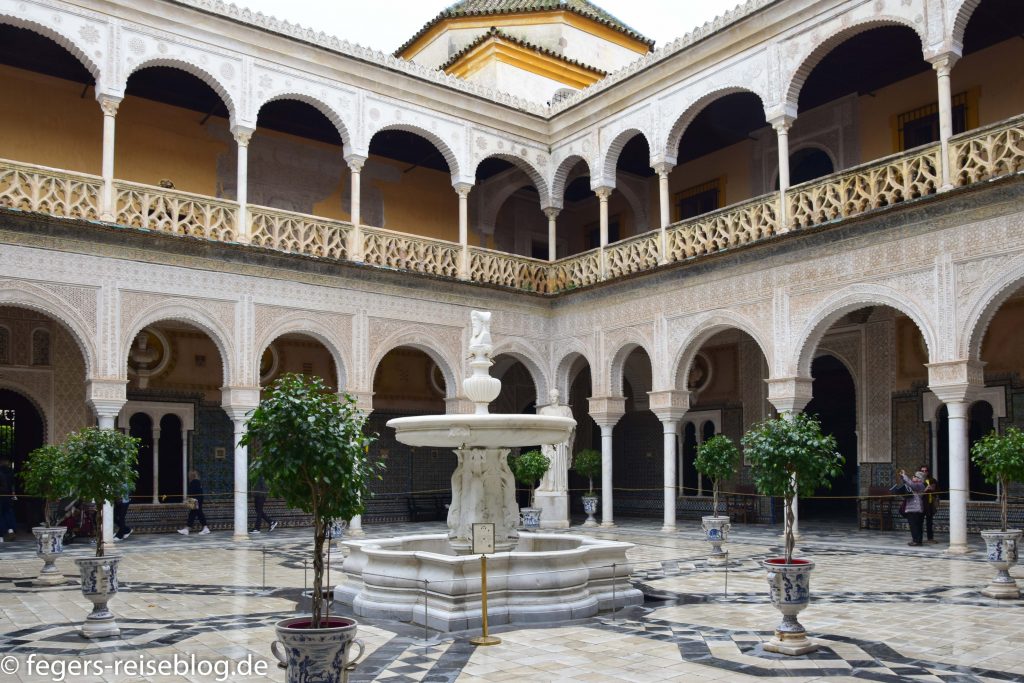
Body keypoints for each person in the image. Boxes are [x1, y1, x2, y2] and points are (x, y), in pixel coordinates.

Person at [899, 469, 927, 546]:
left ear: (919, 478)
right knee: (915, 525)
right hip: (912, 508)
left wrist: (904, 475)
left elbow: (912, 485)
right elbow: (907, 483)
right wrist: (902, 477)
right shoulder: (914, 485)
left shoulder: (920, 485)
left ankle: (916, 541)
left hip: (915, 509)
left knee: (915, 526)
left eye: (914, 476)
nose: (913, 477)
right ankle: (917, 540)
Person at [178, 470, 210, 535]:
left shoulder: (194, 481)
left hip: (195, 500)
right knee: (197, 513)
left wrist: (188, 500)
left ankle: (188, 529)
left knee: (195, 513)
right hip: (197, 499)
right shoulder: (197, 481)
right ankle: (203, 528)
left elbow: (192, 492)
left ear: (192, 476)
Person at [920, 465, 939, 544]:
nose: (924, 472)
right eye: (922, 471)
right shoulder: (918, 480)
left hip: (929, 503)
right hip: (921, 503)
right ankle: (918, 538)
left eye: (925, 471)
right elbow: (916, 492)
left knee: (929, 521)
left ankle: (930, 538)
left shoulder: (932, 480)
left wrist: (933, 490)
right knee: (920, 521)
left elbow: (937, 491)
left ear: (928, 472)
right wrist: (925, 490)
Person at [0, 458, 17, 540]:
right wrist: (13, 493)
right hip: (8, 495)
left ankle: (1, 535)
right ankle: (10, 530)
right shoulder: (10, 472)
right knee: (8, 512)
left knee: (2, 514)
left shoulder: (6, 471)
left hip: (2, 494)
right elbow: (13, 484)